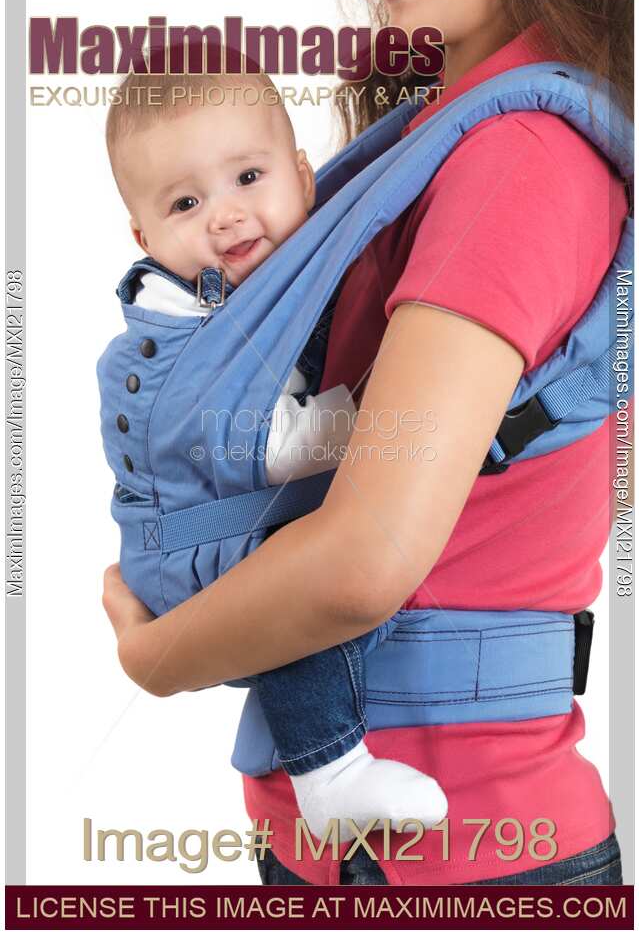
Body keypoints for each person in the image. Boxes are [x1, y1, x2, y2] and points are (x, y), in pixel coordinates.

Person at [102, 0, 631, 885]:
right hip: (350, 841)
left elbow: (363, 561)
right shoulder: (435, 135)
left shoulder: (518, 153)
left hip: (459, 840)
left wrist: (157, 657)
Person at [100, 67, 447, 842]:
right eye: (184, 205)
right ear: (144, 239)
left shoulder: (275, 282)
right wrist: (391, 408)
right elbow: (262, 447)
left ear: (302, 177)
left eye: (248, 178)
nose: (224, 216)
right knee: (299, 577)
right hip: (194, 550)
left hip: (218, 527)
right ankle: (330, 775)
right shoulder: (182, 323)